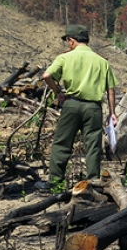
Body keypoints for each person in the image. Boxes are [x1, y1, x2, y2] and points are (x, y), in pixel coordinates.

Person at [37, 24, 118, 191]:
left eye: (67, 41)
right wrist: (112, 113)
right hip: (93, 108)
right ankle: (93, 182)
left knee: (62, 144)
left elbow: (46, 75)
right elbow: (110, 90)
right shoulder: (102, 61)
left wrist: (58, 92)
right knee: (93, 146)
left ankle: (54, 182)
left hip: (71, 105)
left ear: (71, 40)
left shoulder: (65, 58)